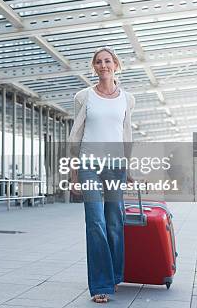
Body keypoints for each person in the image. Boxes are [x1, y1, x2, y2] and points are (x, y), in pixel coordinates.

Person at [67, 47, 136, 304]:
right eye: (99, 62)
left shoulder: (127, 99)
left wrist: (127, 169)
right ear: (94, 67)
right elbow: (75, 136)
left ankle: (115, 275)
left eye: (108, 61)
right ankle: (101, 284)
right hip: (89, 165)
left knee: (114, 221)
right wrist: (74, 175)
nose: (103, 65)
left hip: (116, 165)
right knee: (95, 221)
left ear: (116, 65)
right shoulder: (83, 96)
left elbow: (126, 135)